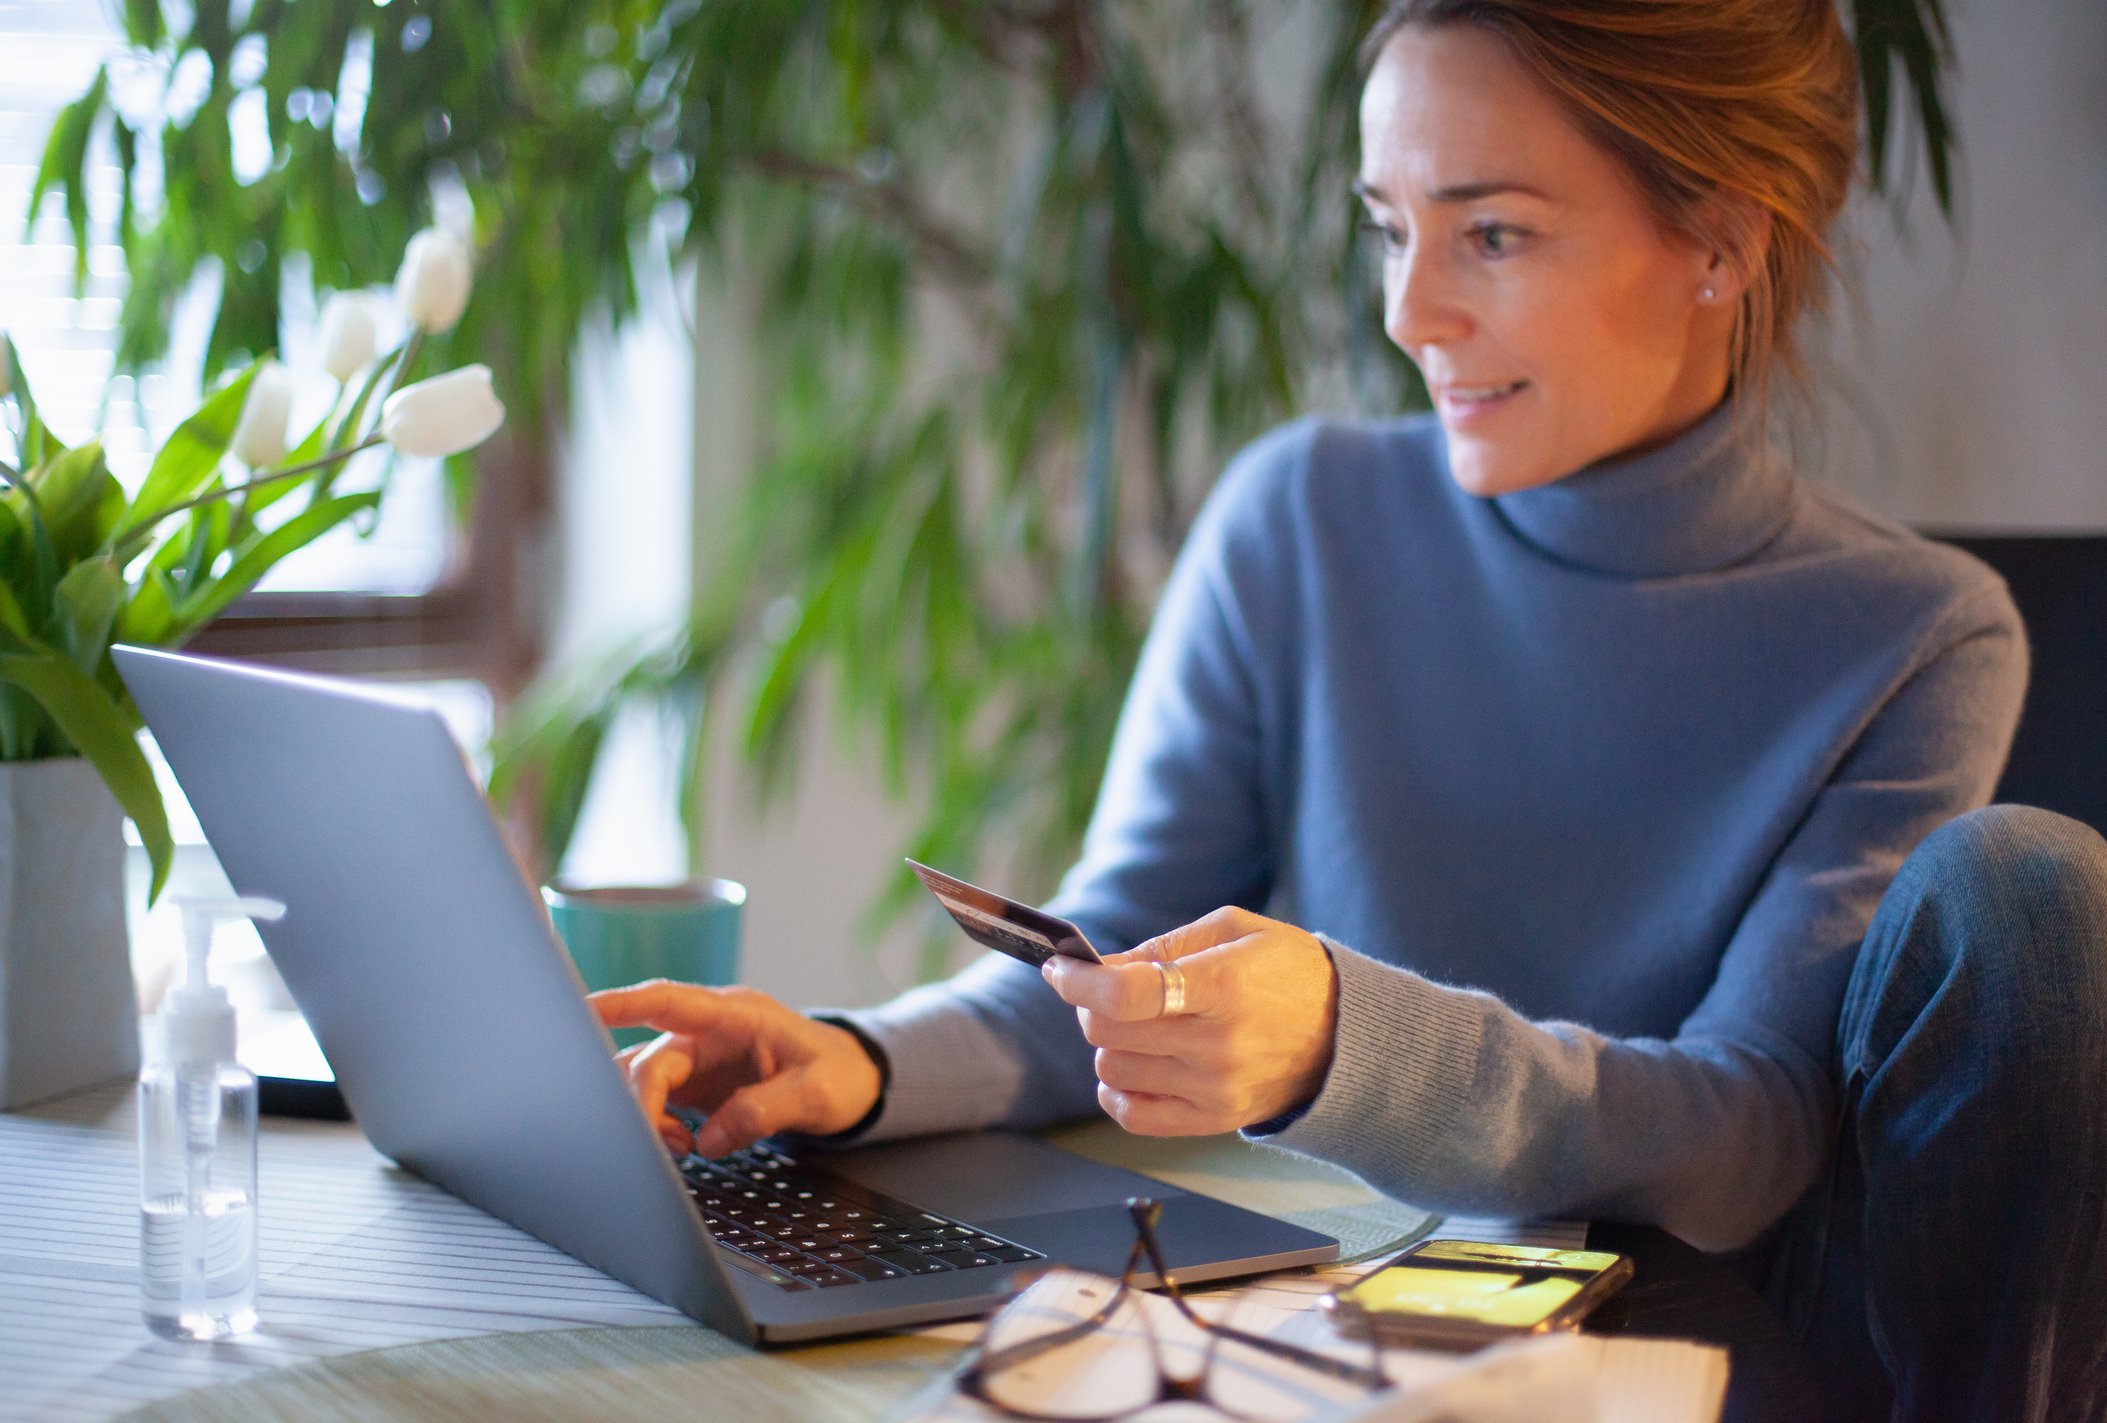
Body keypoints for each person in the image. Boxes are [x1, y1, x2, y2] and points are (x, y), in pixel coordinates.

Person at [591, 3, 2107, 1417]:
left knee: (2032, 888)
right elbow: (1108, 958)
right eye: (1392, 230)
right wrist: (849, 1064)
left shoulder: (1918, 633)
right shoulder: (1298, 521)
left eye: (1494, 234)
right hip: (1359, 1320)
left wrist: (1342, 1041)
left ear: (1717, 240)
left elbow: (1744, 1139)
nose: (1411, 312)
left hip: (1708, 1344)